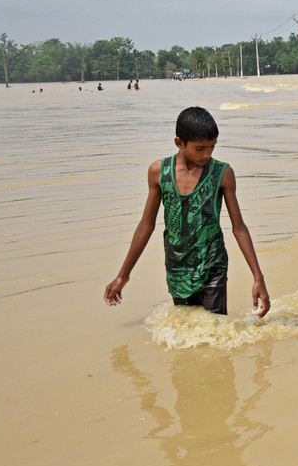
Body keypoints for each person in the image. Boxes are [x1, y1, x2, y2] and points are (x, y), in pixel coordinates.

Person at [104, 106, 270, 317]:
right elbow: (146, 225)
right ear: (179, 143)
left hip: (212, 265)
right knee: (186, 327)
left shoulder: (222, 173)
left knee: (215, 329)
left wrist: (258, 277)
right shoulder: (159, 172)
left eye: (212, 147)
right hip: (177, 267)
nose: (208, 154)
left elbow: (239, 228)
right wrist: (123, 276)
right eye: (200, 148)